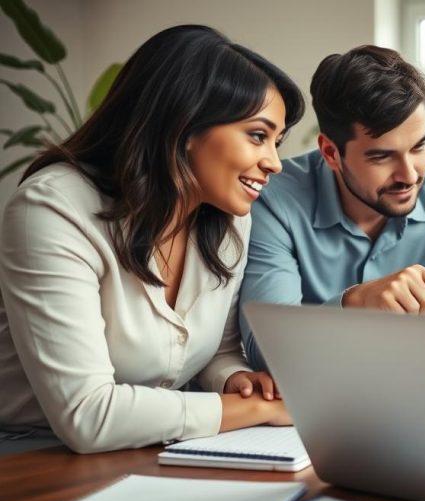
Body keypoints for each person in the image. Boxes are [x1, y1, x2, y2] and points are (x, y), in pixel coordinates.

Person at [0, 25, 304, 454]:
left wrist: (233, 378)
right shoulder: (52, 208)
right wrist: (256, 411)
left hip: (155, 449)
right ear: (183, 124)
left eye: (277, 141)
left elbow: (218, 348)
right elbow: (88, 414)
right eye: (258, 135)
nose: (273, 162)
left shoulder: (229, 217)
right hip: (31, 453)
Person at [239, 45, 425, 371]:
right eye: (382, 156)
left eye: (419, 146)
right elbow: (264, 348)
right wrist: (354, 302)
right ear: (331, 153)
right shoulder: (274, 199)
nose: (410, 175)